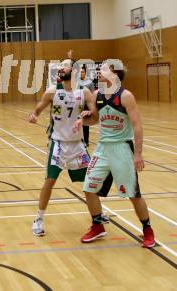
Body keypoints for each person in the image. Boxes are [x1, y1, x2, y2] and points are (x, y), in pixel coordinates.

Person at [80, 63, 156, 248]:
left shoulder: (126, 96)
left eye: (104, 69)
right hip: (103, 149)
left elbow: (137, 126)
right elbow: (95, 119)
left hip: (122, 148)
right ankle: (97, 226)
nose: (99, 72)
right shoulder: (97, 94)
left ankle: (147, 230)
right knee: (89, 188)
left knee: (133, 194)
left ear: (115, 75)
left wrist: (138, 154)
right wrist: (82, 119)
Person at [28, 58, 97, 237]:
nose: (61, 68)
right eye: (60, 65)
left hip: (77, 146)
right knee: (49, 181)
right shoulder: (52, 92)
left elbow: (95, 118)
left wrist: (84, 119)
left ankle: (97, 217)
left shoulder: (85, 93)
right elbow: (37, 110)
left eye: (65, 65)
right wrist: (33, 116)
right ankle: (38, 218)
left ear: (73, 70)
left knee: (89, 182)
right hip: (58, 143)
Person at [78, 65, 95, 146]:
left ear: (85, 73)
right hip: (78, 106)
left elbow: (92, 95)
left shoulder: (90, 83)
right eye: (80, 72)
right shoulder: (77, 82)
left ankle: (86, 141)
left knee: (85, 124)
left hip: (86, 106)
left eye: (82, 72)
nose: (81, 73)